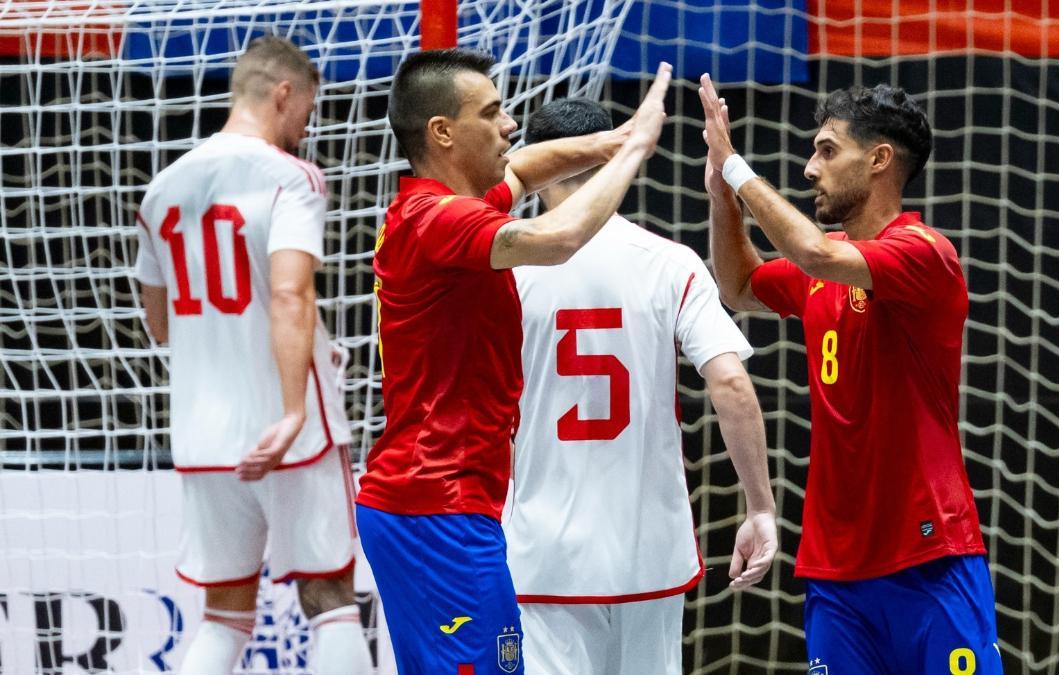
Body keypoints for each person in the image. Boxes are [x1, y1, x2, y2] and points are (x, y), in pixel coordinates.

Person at [355, 49, 673, 674]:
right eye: (494, 112)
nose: (510, 126)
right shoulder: (438, 220)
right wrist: (637, 152)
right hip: (438, 504)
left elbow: (525, 169)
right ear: (442, 132)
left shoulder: (439, 209)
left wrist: (612, 140)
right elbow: (558, 239)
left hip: (425, 501)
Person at [698, 76, 1003, 673]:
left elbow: (813, 252)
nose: (810, 168)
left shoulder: (922, 252)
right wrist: (719, 196)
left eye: (827, 150)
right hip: (834, 564)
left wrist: (735, 165)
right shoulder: (826, 265)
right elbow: (736, 285)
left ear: (880, 159)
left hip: (927, 552)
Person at [500, 97, 778, 675]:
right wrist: (760, 507)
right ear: (617, 158)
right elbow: (730, 382)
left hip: (542, 552)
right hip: (649, 552)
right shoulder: (670, 263)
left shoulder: (505, 268)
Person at [133, 36, 371, 674]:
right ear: (284, 94)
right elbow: (291, 295)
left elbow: (159, 325)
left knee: (224, 618)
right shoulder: (289, 175)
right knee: (331, 602)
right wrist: (293, 411)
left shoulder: (160, 190)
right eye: (308, 110)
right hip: (290, 430)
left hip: (204, 437)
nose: (307, 127)